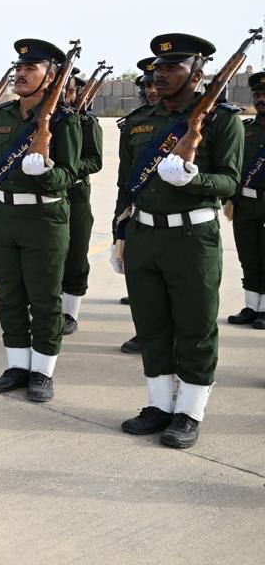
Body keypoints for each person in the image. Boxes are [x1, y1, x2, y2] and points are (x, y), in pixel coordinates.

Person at [113, 34, 242, 449]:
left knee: (195, 326)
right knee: (152, 325)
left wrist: (194, 181)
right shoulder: (138, 122)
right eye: (158, 67)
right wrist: (120, 234)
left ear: (198, 73)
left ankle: (189, 412)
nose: (161, 74)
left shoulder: (222, 119)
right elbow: (124, 186)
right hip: (145, 234)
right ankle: (158, 405)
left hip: (192, 237)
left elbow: (229, 180)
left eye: (173, 67)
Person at [0, 41, 81, 403]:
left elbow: (71, 172)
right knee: (11, 296)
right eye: (19, 66)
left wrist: (46, 173)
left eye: (30, 68)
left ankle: (42, 372)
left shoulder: (65, 120)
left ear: (51, 77)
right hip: (5, 215)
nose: (20, 72)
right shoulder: (1, 117)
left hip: (44, 217)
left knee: (45, 298)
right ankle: (17, 365)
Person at [119, 58, 159, 351]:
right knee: (142, 284)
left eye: (153, 83)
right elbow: (124, 178)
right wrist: (118, 221)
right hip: (140, 215)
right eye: (145, 85)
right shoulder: (134, 123)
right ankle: (145, 333)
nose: (151, 90)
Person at [60, 70, 104, 335]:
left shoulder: (86, 122)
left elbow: (95, 161)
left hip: (74, 195)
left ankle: (70, 312)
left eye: (70, 90)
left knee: (75, 256)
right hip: (43, 198)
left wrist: (65, 167)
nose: (67, 96)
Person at [227, 71, 265, 330]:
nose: (261, 99)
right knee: (248, 256)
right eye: (257, 95)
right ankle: (251, 306)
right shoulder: (244, 129)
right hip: (246, 204)